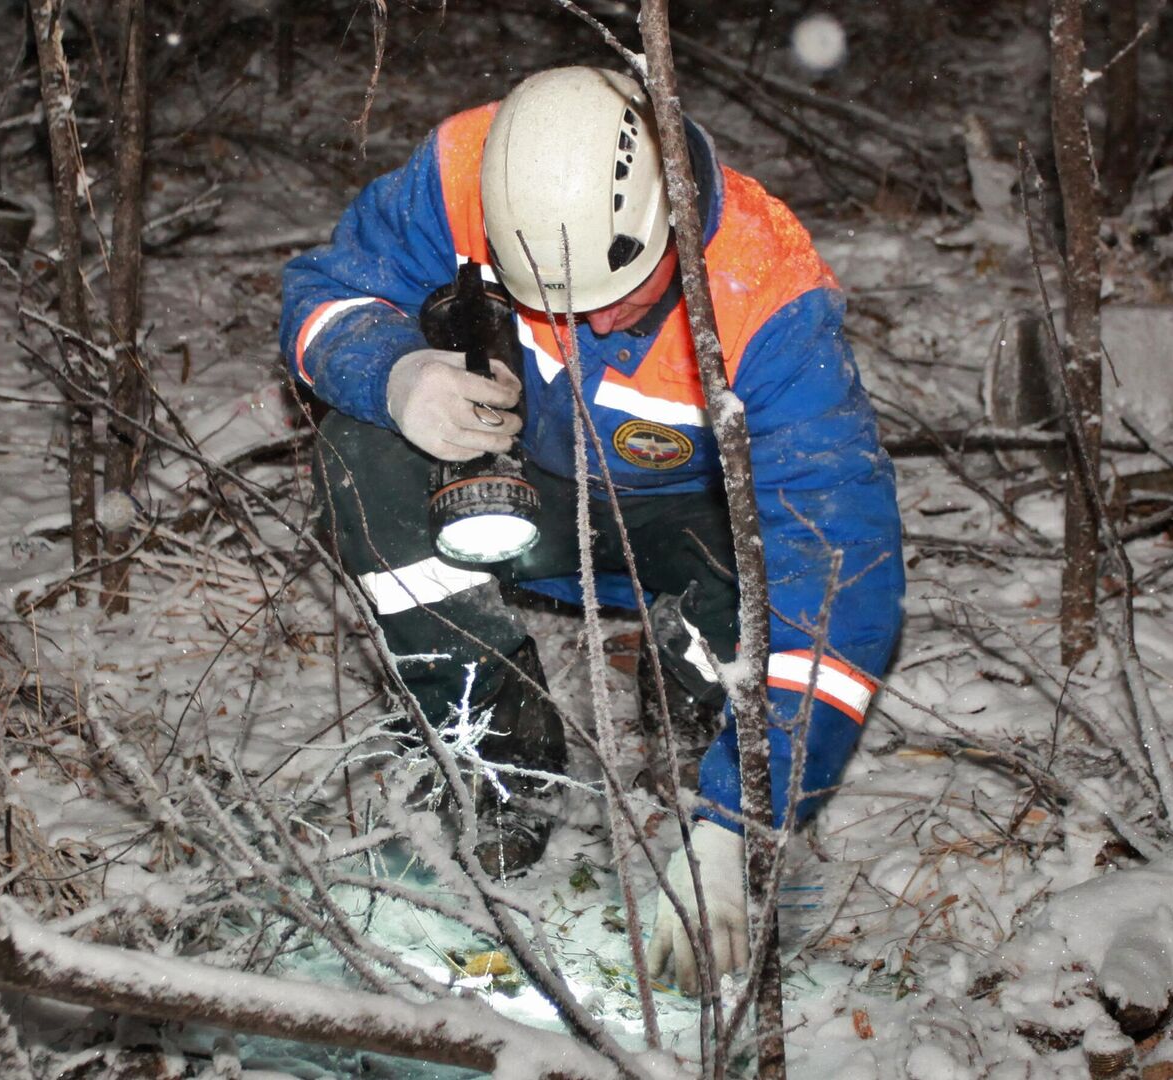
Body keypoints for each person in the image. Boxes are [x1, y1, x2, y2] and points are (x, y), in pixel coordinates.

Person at [280, 66, 905, 992]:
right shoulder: (463, 170)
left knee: (770, 599)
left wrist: (744, 823)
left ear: (670, 229)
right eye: (544, 294)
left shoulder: (765, 294)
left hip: (680, 527)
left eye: (607, 297)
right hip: (513, 494)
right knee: (359, 458)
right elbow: (329, 290)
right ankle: (499, 742)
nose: (575, 322)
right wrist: (396, 374)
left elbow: (840, 568)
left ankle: (702, 736)